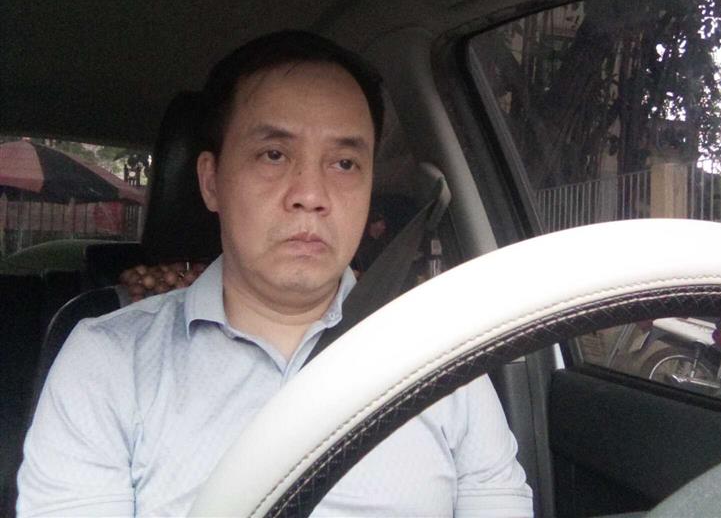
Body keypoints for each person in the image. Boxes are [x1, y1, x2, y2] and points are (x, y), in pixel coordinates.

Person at [17, 31, 533, 516]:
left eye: (345, 163)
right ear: (211, 182)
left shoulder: (441, 358)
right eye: (274, 154)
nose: (310, 194)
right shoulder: (107, 363)